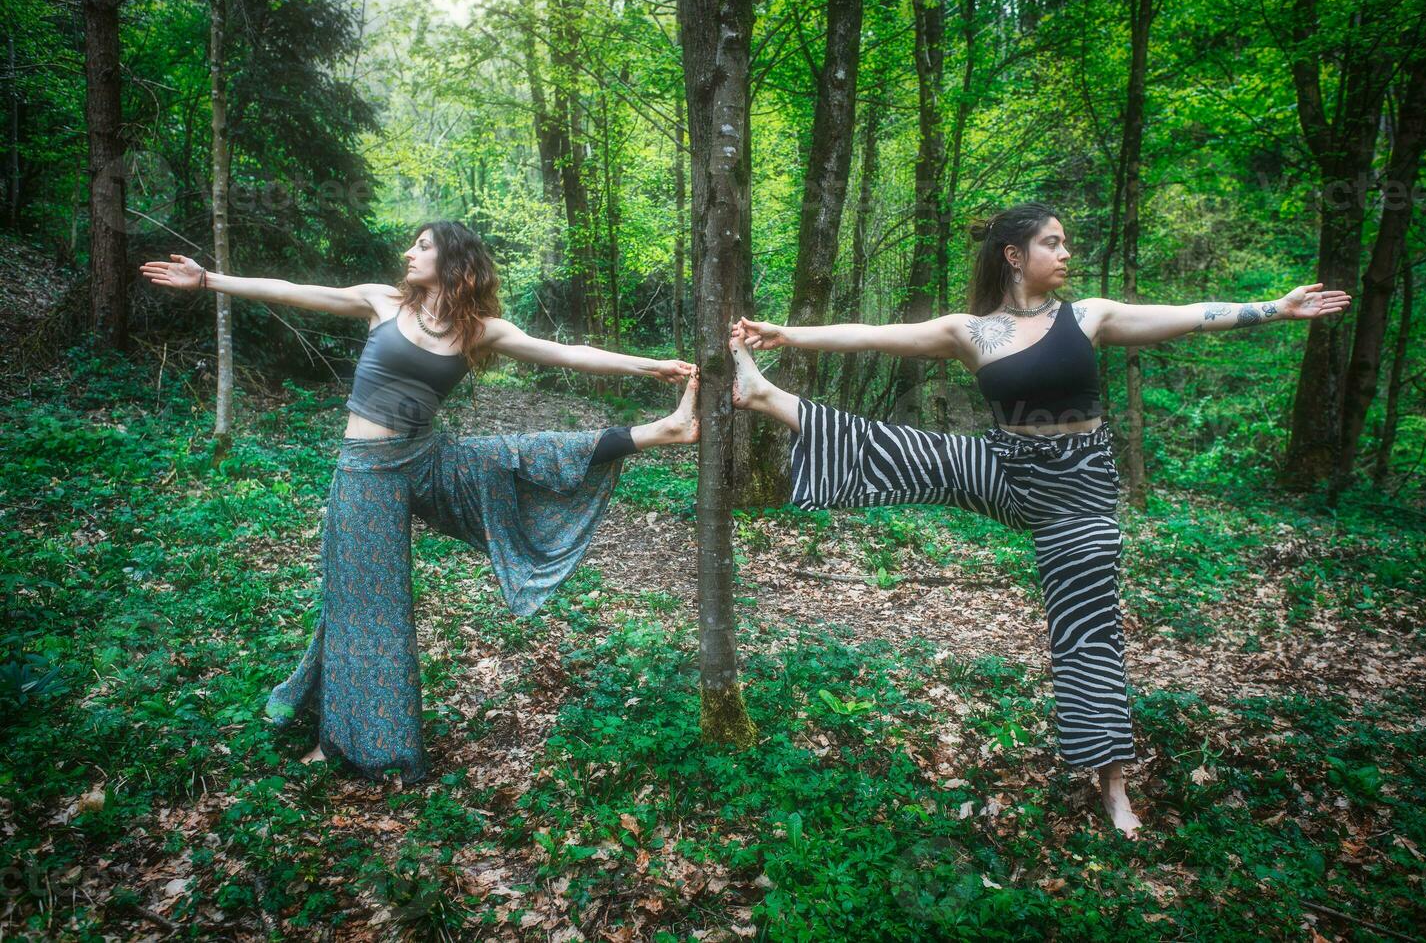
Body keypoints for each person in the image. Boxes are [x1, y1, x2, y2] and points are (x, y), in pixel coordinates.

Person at [726, 200, 1350, 838]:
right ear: (1014, 256)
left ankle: (1113, 784)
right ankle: (766, 395)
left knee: (1086, 630)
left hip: (1078, 495)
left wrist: (1274, 307)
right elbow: (871, 334)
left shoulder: (1088, 317)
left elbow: (1187, 318)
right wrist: (788, 334)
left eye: (1066, 243)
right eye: (1053, 243)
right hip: (1006, 469)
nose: (1066, 253)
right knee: (916, 451)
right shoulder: (971, 331)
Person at [139, 220, 699, 784]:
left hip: (428, 459)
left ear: (454, 259)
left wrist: (649, 366)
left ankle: (663, 431)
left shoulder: (479, 330)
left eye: (423, 246)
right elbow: (290, 289)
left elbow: (566, 353)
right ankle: (350, 741)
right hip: (366, 474)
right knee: (368, 607)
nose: (409, 253)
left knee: (518, 455)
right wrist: (208, 279)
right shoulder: (380, 302)